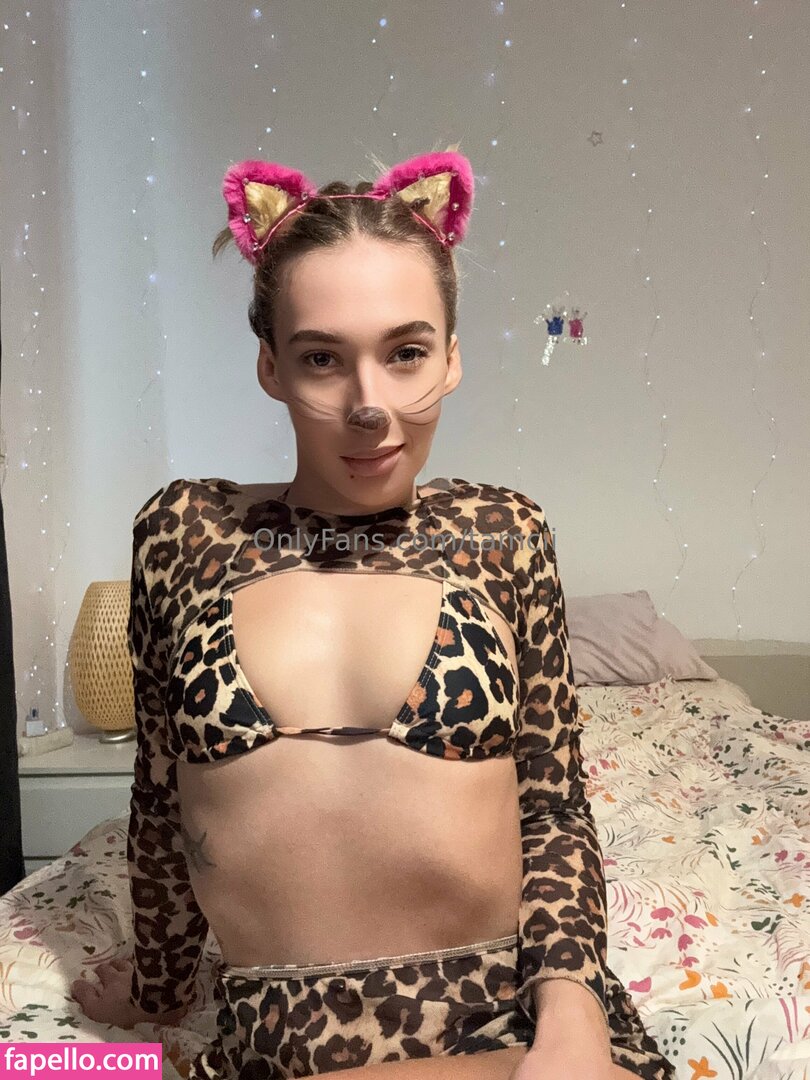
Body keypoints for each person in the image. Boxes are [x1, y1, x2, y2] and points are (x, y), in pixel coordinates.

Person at [72, 149, 674, 1080]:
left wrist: (575, 1020)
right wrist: (158, 990)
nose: (369, 407)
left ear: (453, 356)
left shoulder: (502, 533)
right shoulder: (184, 532)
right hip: (274, 1040)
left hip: (506, 1027)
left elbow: (552, 808)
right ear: (271, 366)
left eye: (406, 354)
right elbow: (159, 798)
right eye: (322, 359)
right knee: (38, 1067)